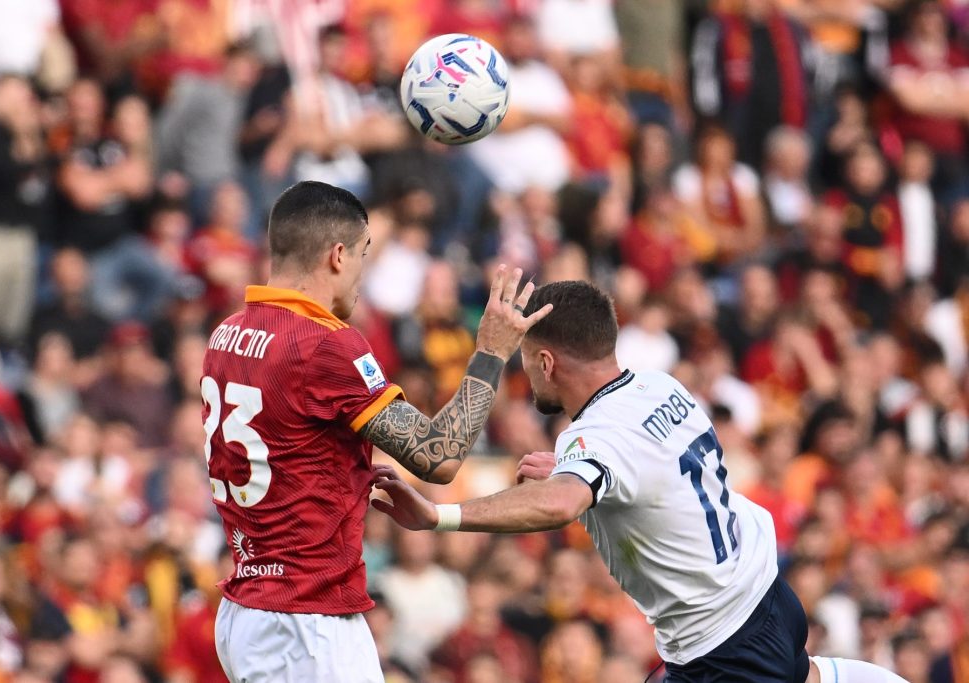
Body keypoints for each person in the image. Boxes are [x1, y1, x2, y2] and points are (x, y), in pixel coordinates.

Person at [372, 280, 910, 683]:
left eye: (527, 365)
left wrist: (437, 517)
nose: (527, 376)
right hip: (768, 599)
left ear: (545, 360)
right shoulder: (660, 386)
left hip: (723, 647)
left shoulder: (597, 437)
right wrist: (571, 476)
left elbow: (562, 503)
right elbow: (644, 484)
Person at [202, 180, 551, 683]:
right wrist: (492, 352)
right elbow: (440, 455)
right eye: (366, 254)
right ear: (338, 256)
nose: (365, 273)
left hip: (248, 607)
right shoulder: (326, 345)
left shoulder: (226, 333)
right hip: (306, 620)